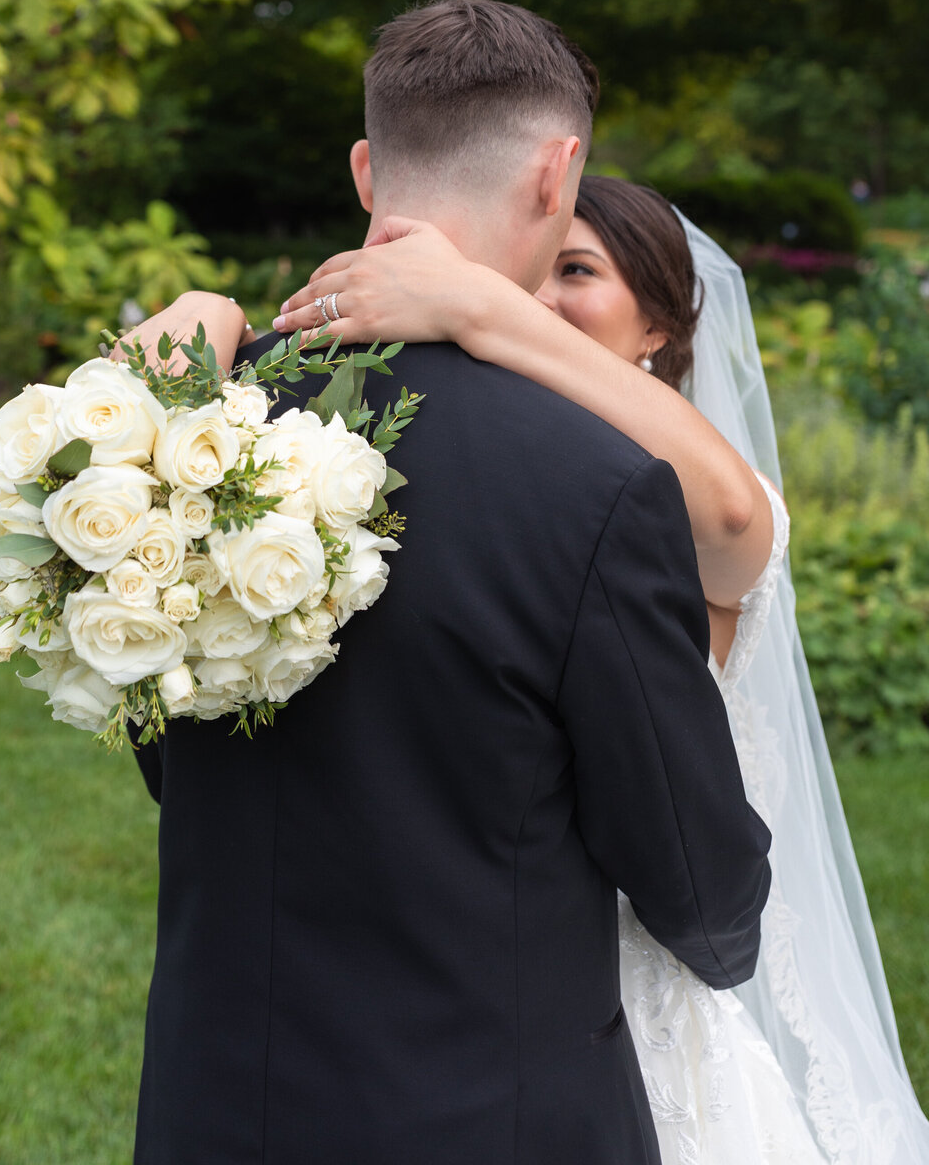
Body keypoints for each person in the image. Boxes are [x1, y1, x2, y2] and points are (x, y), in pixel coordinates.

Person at [168, 175, 929, 1162]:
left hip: (637, 982)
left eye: (580, 272)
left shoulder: (691, 503)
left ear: (660, 321)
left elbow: (739, 524)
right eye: (533, 274)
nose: (539, 302)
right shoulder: (479, 466)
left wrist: (481, 305)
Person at [129, 0, 771, 1165]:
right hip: (484, 1117)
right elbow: (696, 882)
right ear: (558, 172)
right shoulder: (605, 481)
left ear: (369, 170)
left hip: (215, 1098)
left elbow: (169, 742)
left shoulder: (179, 432)